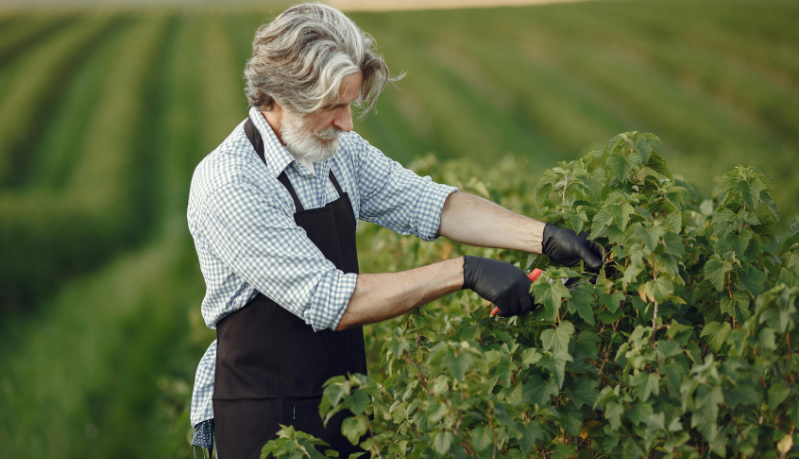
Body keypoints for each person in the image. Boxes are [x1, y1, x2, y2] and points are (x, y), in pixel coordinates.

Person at [187, 3, 604, 458]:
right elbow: (329, 299)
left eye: (350, 104)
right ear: (282, 96)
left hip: (345, 403)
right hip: (265, 421)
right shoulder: (232, 183)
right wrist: (464, 271)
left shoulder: (336, 151)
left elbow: (430, 203)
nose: (347, 123)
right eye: (333, 107)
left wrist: (543, 236)